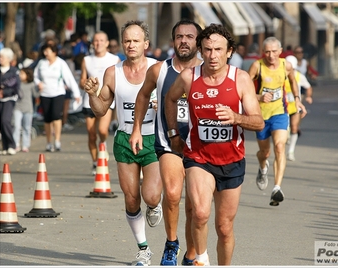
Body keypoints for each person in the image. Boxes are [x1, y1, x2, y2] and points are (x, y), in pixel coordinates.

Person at [164, 23, 264, 266]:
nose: (212, 55)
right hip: (199, 157)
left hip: (232, 161)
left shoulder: (239, 79)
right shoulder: (189, 77)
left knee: (224, 227)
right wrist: (173, 133)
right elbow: (170, 98)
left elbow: (259, 122)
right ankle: (201, 259)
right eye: (207, 49)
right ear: (201, 50)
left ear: (229, 51)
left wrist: (236, 117)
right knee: (199, 213)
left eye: (218, 49)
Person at [83, 20, 163, 266]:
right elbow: (100, 111)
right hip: (125, 139)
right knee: (130, 198)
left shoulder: (158, 69)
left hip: (152, 139)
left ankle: (154, 205)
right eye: (127, 40)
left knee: (150, 196)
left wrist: (164, 107)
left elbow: (177, 100)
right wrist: (92, 94)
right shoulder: (112, 72)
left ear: (145, 44)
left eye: (136, 40)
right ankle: (143, 249)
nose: (131, 45)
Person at [129, 19, 203, 266]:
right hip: (168, 140)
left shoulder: (207, 71)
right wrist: (137, 129)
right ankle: (171, 244)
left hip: (199, 146)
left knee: (194, 205)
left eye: (190, 36)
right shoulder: (159, 70)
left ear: (198, 42)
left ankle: (191, 254)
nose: (184, 41)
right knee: (172, 194)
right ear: (173, 41)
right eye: (179, 36)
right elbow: (142, 96)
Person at [248, 37, 307, 206]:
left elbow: (293, 80)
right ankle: (262, 167)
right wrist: (259, 96)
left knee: (280, 146)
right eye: (267, 51)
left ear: (280, 51)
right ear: (263, 52)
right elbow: (243, 87)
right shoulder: (257, 66)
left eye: (274, 51)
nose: (271, 55)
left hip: (280, 113)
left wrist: (297, 99)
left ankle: (277, 188)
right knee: (264, 153)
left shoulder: (285, 65)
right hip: (260, 115)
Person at [79, 31, 121, 175]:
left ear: (107, 43)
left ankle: (103, 143)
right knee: (91, 135)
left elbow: (118, 80)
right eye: (96, 41)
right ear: (93, 43)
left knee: (102, 130)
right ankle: (95, 162)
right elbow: (82, 81)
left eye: (102, 40)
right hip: (89, 101)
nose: (98, 43)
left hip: (106, 100)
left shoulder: (114, 59)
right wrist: (87, 83)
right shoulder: (86, 60)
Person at [33, 42, 81, 152]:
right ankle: (49, 142)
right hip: (45, 93)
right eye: (44, 51)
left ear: (54, 52)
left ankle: (57, 141)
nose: (46, 53)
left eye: (48, 51)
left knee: (56, 116)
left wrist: (76, 93)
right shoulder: (41, 63)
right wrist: (38, 83)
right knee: (47, 118)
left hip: (58, 93)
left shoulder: (61, 63)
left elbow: (69, 79)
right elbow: (36, 76)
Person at [284, 55, 313, 161]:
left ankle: (291, 151)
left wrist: (309, 96)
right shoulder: (281, 75)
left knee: (294, 127)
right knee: (285, 128)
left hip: (295, 106)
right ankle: (283, 146)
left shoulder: (299, 76)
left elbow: (308, 87)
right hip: (283, 106)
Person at [0, 48, 20, 155]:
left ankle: (12, 144)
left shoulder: (13, 71)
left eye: (2, 57)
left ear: (8, 59)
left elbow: (15, 86)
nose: (0, 59)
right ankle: (5, 146)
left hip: (9, 99)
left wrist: (4, 92)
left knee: (5, 120)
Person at [13, 68, 38, 153]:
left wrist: (41, 89)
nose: (20, 75)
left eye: (22, 74)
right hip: (17, 107)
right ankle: (15, 144)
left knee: (27, 127)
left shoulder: (31, 84)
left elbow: (36, 95)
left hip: (28, 108)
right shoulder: (17, 84)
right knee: (16, 126)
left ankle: (25, 145)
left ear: (28, 75)